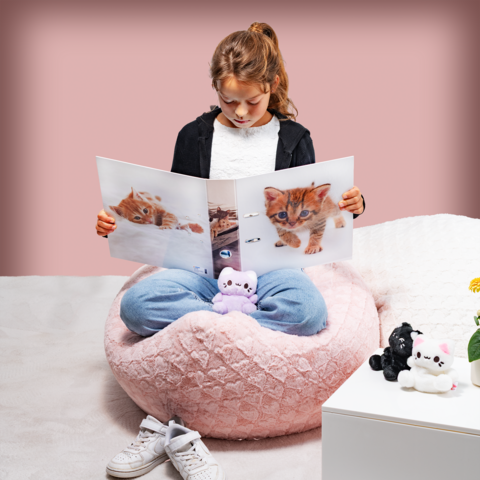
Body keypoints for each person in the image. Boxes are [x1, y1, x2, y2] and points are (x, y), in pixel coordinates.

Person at [98, 22, 365, 479]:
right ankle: (233, 314)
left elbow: (310, 206)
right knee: (136, 307)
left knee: (308, 312)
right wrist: (117, 223)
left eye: (252, 101)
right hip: (202, 266)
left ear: (272, 85)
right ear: (215, 90)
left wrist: (353, 204)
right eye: (228, 101)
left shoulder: (294, 138)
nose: (240, 112)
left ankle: (214, 320)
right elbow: (173, 209)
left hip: (273, 265)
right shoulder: (194, 136)